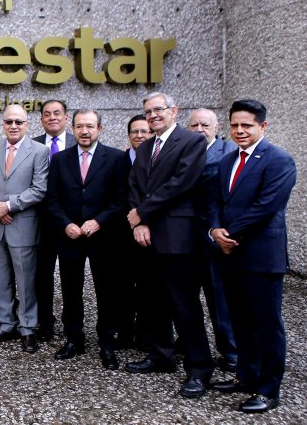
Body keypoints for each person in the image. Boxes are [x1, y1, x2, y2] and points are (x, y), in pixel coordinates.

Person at [208, 99, 296, 414]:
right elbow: (216, 201)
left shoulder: (279, 160)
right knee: (241, 321)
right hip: (230, 255)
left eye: (247, 125)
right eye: (235, 125)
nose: (240, 131)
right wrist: (214, 229)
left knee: (266, 324)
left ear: (263, 126)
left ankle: (268, 389)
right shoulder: (227, 161)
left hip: (261, 256)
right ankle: (246, 376)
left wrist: (228, 233)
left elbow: (266, 206)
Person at [125, 92, 213, 399]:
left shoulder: (191, 142)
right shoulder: (145, 147)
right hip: (146, 236)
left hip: (177, 237)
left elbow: (181, 183)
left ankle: (199, 369)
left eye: (158, 110)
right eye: (148, 111)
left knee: (184, 306)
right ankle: (161, 355)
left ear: (173, 111)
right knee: (152, 302)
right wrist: (139, 222)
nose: (153, 115)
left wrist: (142, 212)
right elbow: (135, 186)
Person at [45, 109, 129, 370]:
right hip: (70, 236)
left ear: (99, 129)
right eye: (80, 126)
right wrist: (65, 224)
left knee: (107, 291)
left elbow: (121, 198)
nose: (84, 131)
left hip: (103, 236)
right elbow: (51, 199)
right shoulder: (60, 159)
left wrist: (99, 221)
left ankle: (107, 342)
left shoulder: (116, 158)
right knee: (71, 290)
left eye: (90, 126)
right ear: (73, 128)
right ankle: (74, 339)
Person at [0, 105, 49, 354]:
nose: (13, 126)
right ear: (2, 123)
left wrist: (8, 206)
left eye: (18, 122)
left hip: (23, 225)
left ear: (27, 124)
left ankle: (28, 327)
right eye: (8, 121)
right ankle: (5, 324)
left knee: (26, 281)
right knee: (0, 280)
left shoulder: (39, 151)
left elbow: (39, 189)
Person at [188, 108, 238, 372]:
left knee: (219, 299)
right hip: (185, 237)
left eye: (205, 125)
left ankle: (230, 352)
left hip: (214, 237)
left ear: (217, 128)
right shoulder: (184, 152)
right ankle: (188, 345)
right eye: (194, 125)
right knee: (186, 298)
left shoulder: (228, 152)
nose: (199, 129)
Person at [33, 99, 75, 342]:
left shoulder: (79, 142)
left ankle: (71, 326)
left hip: (70, 222)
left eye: (57, 113)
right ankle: (45, 323)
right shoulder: (32, 145)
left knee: (71, 277)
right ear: (41, 120)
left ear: (66, 117)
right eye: (47, 114)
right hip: (40, 221)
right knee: (41, 275)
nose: (52, 117)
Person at [115, 114, 152, 348]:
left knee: (148, 286)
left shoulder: (158, 159)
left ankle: (146, 334)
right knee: (122, 286)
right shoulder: (117, 159)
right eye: (135, 132)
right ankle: (124, 332)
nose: (139, 135)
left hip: (149, 234)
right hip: (120, 233)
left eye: (144, 131)